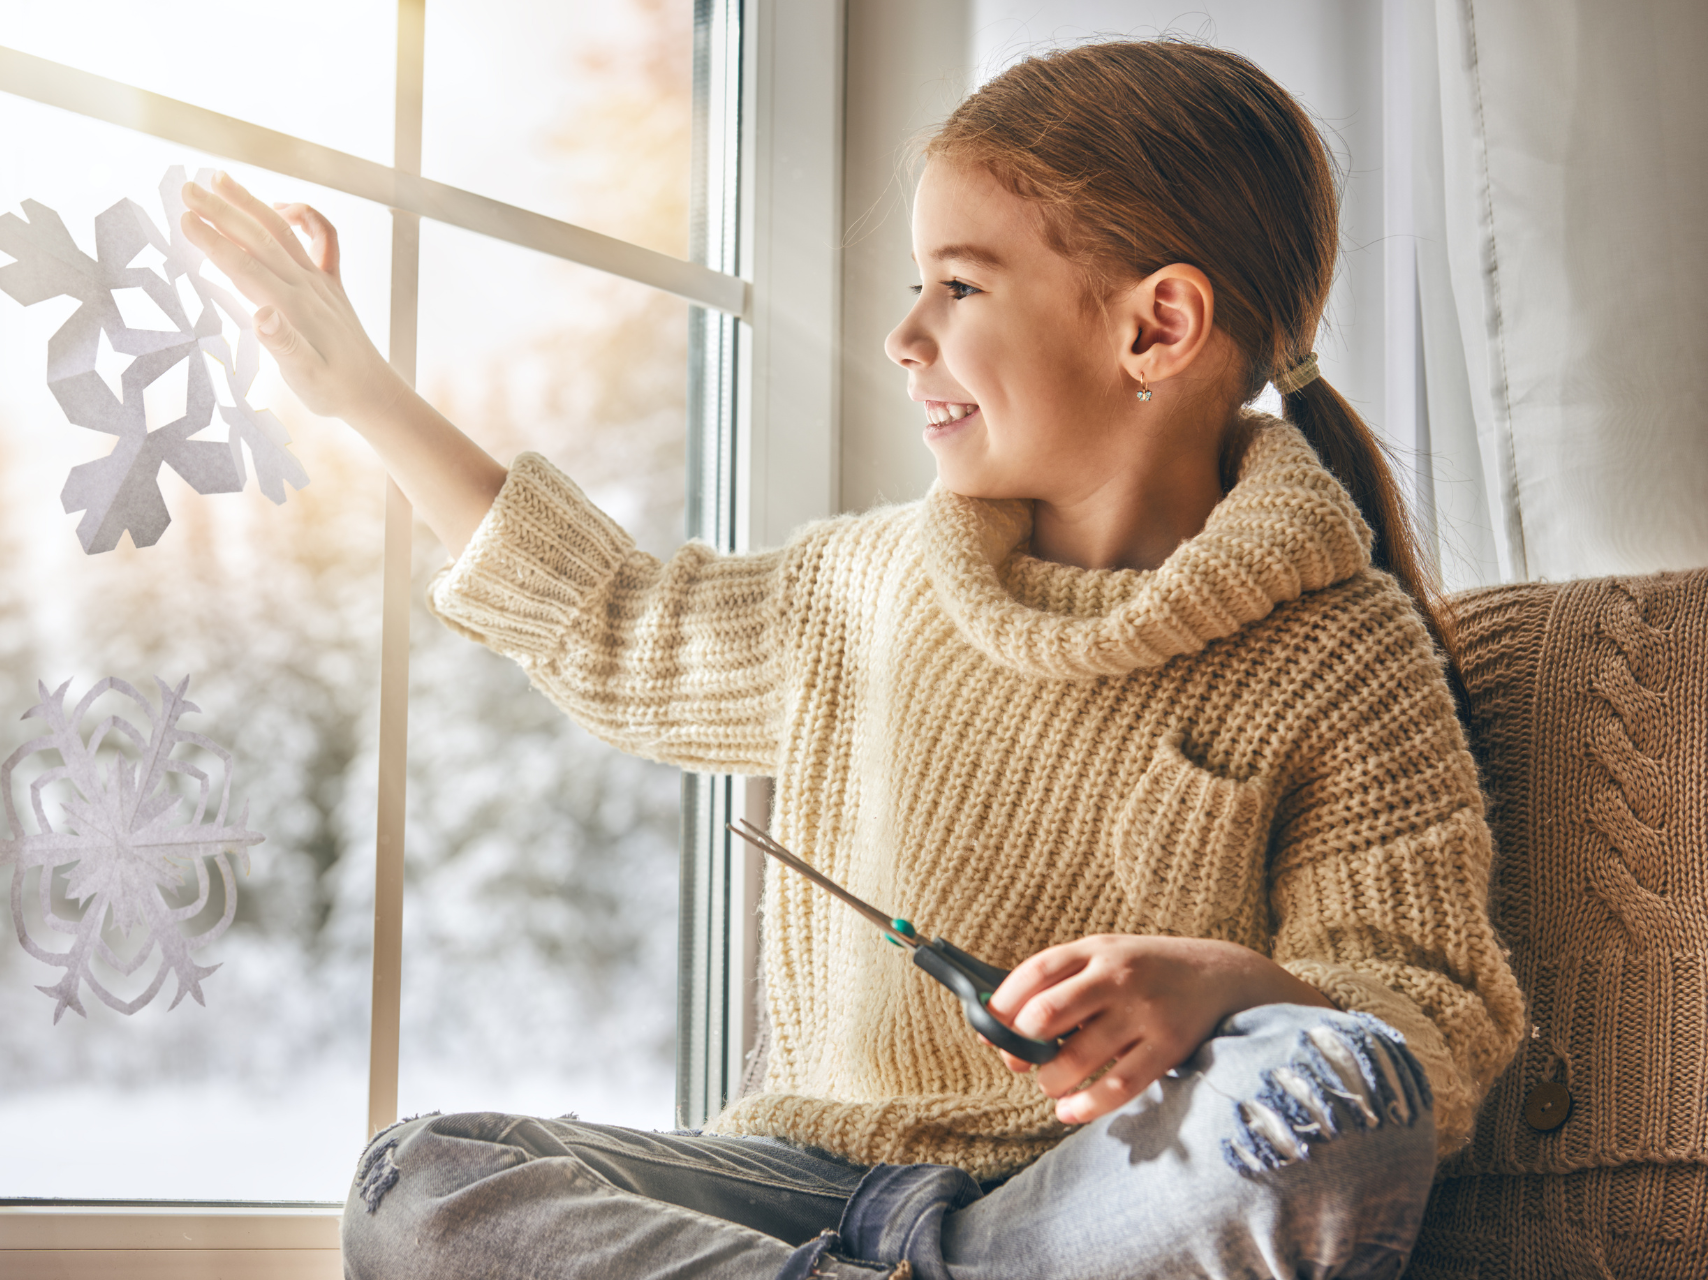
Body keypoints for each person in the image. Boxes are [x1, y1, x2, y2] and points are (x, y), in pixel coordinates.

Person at [182, 38, 1524, 1280]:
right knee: (420, 1184)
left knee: (1336, 1088)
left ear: (1155, 327)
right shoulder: (863, 590)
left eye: (958, 284)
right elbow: (607, 617)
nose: (904, 336)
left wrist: (1229, 988)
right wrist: (355, 383)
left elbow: (1425, 1017)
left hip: (1099, 1200)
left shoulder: (1349, 655)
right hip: (796, 1183)